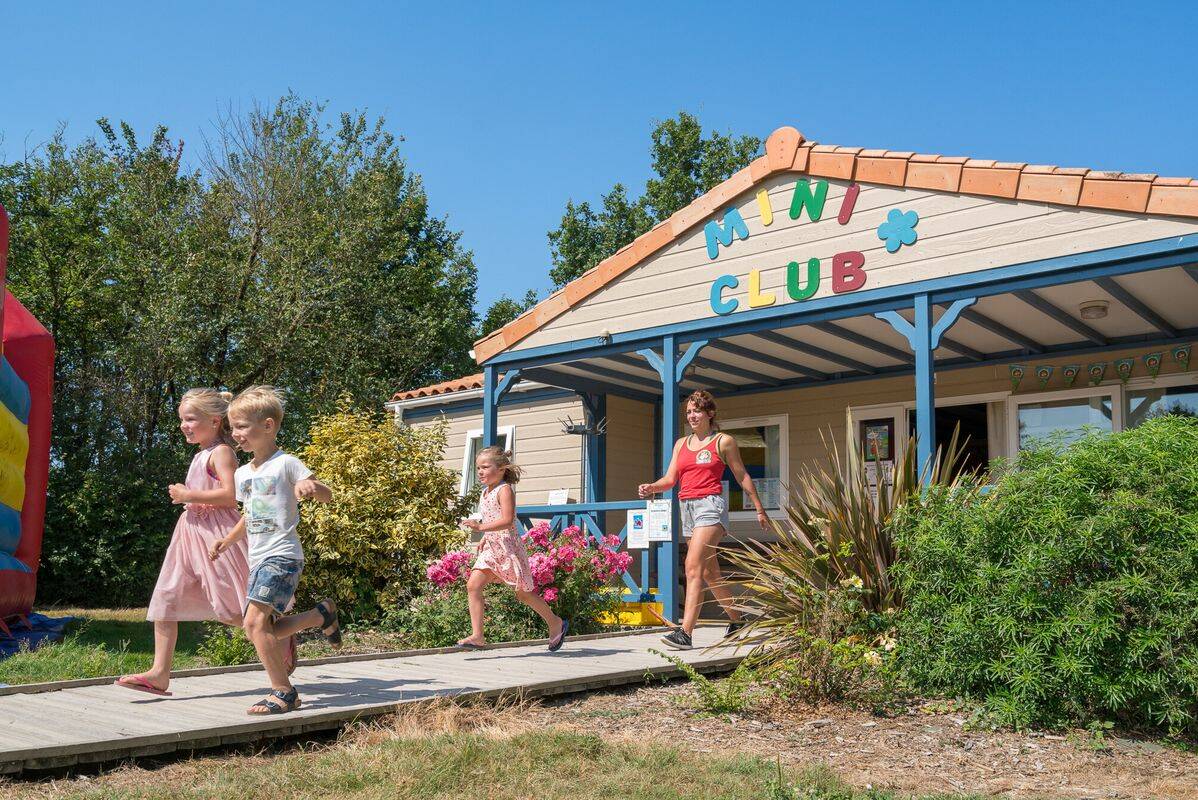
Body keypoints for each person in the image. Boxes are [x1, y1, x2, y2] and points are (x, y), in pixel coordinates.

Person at [208, 385, 338, 715]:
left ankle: (284, 691)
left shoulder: (286, 464)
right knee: (262, 629)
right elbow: (252, 515)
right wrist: (228, 540)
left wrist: (311, 486)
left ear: (268, 426)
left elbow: (327, 495)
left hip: (282, 555)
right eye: (232, 428)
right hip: (258, 557)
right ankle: (320, 615)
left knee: (253, 624)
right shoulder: (242, 473)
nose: (235, 434)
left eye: (241, 427)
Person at [116, 389, 248, 696]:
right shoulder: (201, 453)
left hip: (215, 534)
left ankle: (285, 632)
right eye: (182, 420)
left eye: (190, 419)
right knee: (166, 598)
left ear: (215, 421)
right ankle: (159, 674)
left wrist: (189, 495)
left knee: (231, 608)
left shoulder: (222, 453)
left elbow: (231, 496)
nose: (183, 425)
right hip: (188, 533)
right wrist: (190, 501)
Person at [638, 390, 770, 650]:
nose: (692, 415)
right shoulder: (680, 444)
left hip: (711, 505)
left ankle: (685, 633)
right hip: (685, 507)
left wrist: (759, 508)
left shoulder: (723, 441)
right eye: (688, 411)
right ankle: (737, 620)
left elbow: (741, 475)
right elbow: (670, 480)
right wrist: (652, 487)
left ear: (710, 413)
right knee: (709, 572)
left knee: (692, 566)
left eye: (696, 410)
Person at [456, 446, 569, 652]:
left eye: (485, 467)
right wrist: (484, 536)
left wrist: (480, 527)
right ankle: (478, 636)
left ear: (501, 469)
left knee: (523, 594)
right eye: (478, 467)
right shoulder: (484, 492)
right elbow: (493, 518)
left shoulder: (504, 489)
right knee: (473, 585)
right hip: (492, 548)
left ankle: (555, 623)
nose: (480, 471)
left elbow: (507, 521)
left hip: (508, 548)